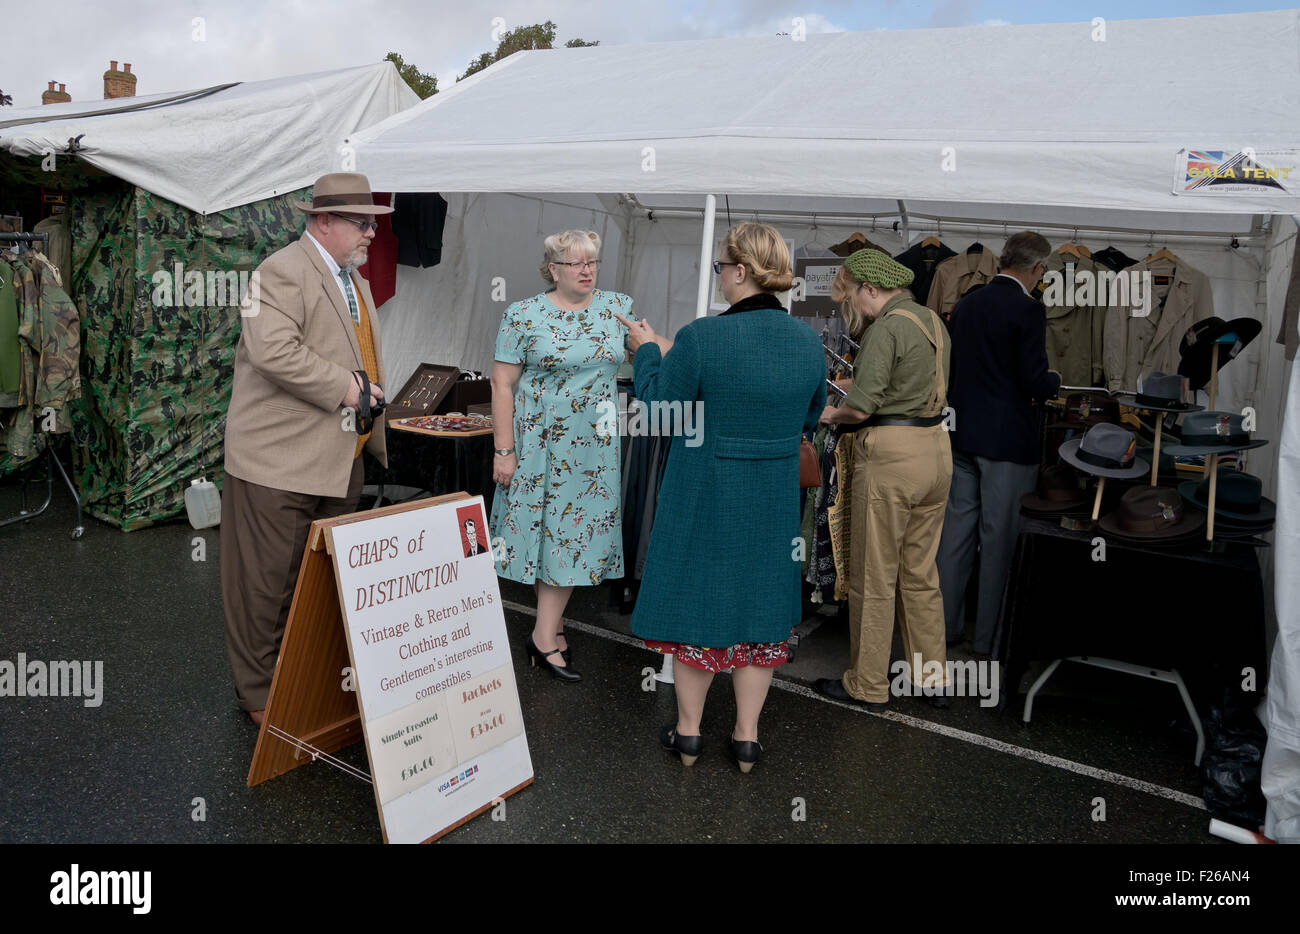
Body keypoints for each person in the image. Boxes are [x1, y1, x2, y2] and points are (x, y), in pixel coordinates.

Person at [617, 223, 825, 772]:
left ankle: (688, 734)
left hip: (705, 491)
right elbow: (810, 416)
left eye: (719, 269)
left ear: (738, 271)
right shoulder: (807, 340)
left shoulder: (702, 336)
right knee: (761, 612)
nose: (720, 278)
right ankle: (746, 737)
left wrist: (644, 352)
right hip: (773, 497)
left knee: (698, 609)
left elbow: (660, 412)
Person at [221, 172, 392, 726]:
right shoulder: (280, 270)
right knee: (266, 587)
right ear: (322, 221)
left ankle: (302, 684)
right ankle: (260, 699)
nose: (371, 233)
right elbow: (272, 350)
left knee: (316, 590)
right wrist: (347, 387)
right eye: (361, 222)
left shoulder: (354, 280)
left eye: (372, 223)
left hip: (339, 460)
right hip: (279, 464)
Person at [489, 230, 633, 682]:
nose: (588, 270)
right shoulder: (522, 315)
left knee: (573, 536)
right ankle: (546, 635)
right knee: (548, 535)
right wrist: (504, 450)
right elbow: (501, 385)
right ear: (554, 269)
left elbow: (655, 350)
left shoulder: (618, 308)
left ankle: (545, 631)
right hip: (538, 444)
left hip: (594, 451)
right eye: (577, 263)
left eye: (592, 262)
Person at [814, 249, 952, 711]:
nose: (852, 308)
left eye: (852, 297)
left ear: (870, 288)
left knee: (874, 574)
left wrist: (831, 413)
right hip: (936, 451)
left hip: (893, 456)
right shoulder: (931, 320)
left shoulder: (887, 327)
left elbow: (861, 406)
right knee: (920, 574)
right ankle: (931, 680)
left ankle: (868, 684)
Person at [935, 232, 1061, 657]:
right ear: (1037, 268)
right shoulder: (1028, 310)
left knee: (954, 538)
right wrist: (1053, 382)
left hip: (961, 432)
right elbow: (1033, 379)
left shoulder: (967, 304)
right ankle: (988, 640)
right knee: (999, 540)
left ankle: (944, 629)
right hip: (1006, 440)